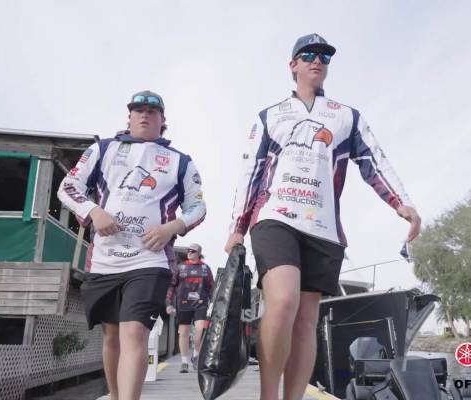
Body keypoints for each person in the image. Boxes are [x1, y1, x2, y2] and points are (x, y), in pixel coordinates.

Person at [224, 34, 421, 400]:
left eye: (325, 57)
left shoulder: (346, 116)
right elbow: (249, 171)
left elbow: (374, 161)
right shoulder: (270, 116)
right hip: (275, 217)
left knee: (306, 321)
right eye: (309, 55)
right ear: (293, 65)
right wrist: (238, 226)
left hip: (323, 226)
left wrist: (401, 203)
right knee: (283, 303)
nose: (317, 60)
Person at [57, 90, 206, 400]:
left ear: (163, 120)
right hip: (104, 260)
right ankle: (115, 395)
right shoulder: (103, 149)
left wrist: (172, 227)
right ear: (129, 116)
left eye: (152, 111)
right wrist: (94, 211)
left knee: (134, 331)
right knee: (112, 336)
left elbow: (198, 207)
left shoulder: (181, 161)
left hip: (149, 261)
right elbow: (68, 186)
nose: (144, 115)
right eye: (138, 110)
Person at [165, 243, 214, 373]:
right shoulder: (180, 267)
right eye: (188, 250)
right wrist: (169, 304)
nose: (190, 252)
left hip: (201, 303)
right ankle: (184, 362)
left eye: (193, 251)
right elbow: (172, 286)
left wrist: (213, 303)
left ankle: (196, 356)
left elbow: (211, 286)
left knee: (200, 330)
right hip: (183, 304)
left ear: (199, 253)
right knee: (184, 333)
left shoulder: (205, 268)